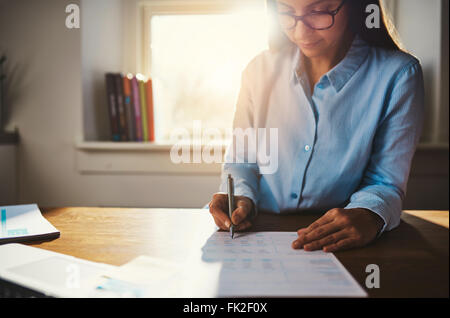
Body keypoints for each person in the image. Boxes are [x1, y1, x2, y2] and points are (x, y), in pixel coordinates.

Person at [208, 0, 424, 252]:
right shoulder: (259, 70)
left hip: (336, 240)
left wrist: (369, 214)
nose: (301, 32)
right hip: (253, 229)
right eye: (287, 13)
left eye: (319, 11)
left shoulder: (398, 74)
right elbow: (241, 161)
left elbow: (385, 181)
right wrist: (240, 196)